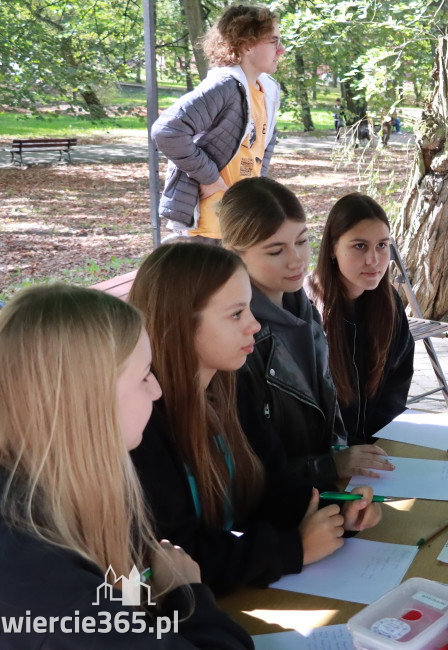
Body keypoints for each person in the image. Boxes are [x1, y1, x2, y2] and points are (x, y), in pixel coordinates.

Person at [0, 285, 251, 649]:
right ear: (91, 400)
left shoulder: (7, 475)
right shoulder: (38, 583)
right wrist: (186, 594)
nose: (158, 390)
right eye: (145, 374)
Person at [128, 244, 380, 596]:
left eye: (249, 308)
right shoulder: (141, 424)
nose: (254, 324)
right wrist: (293, 550)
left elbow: (274, 487)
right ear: (182, 325)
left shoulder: (231, 387)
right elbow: (176, 557)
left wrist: (337, 512)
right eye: (235, 314)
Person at [220, 177, 395, 481]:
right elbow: (245, 468)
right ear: (236, 254)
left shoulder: (305, 311)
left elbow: (330, 422)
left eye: (301, 241)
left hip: (324, 496)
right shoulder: (239, 339)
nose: (297, 260)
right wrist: (329, 468)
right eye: (276, 251)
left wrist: (342, 482)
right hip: (285, 511)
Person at [153, 4, 284, 243]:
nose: (282, 50)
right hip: (209, 230)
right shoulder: (224, 87)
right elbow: (167, 130)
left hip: (242, 227)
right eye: (273, 41)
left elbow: (263, 151)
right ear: (247, 44)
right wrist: (211, 179)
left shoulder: (269, 92)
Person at [306, 193, 415, 444]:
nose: (374, 260)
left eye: (382, 245)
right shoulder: (307, 310)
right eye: (359, 246)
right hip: (330, 459)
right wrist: (346, 452)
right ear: (333, 249)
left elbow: (396, 384)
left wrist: (379, 442)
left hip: (377, 452)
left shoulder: (388, 303)